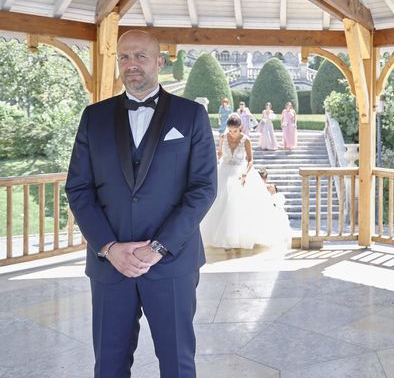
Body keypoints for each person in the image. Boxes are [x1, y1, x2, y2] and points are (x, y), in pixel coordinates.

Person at [65, 29, 217, 378]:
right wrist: (108, 247)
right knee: (109, 364)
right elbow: (79, 188)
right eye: (124, 57)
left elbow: (203, 188)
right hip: (109, 266)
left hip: (172, 263)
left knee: (178, 363)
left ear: (159, 62)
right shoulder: (94, 117)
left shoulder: (191, 116)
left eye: (140, 56)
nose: (131, 64)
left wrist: (159, 247)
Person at [200, 113, 291, 250]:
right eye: (230, 130)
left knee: (237, 205)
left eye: (235, 131)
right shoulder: (223, 137)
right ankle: (225, 239)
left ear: (240, 128)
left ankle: (238, 239)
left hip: (240, 172)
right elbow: (219, 154)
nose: (232, 133)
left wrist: (244, 174)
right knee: (220, 203)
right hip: (223, 171)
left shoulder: (246, 140)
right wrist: (211, 163)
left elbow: (250, 161)